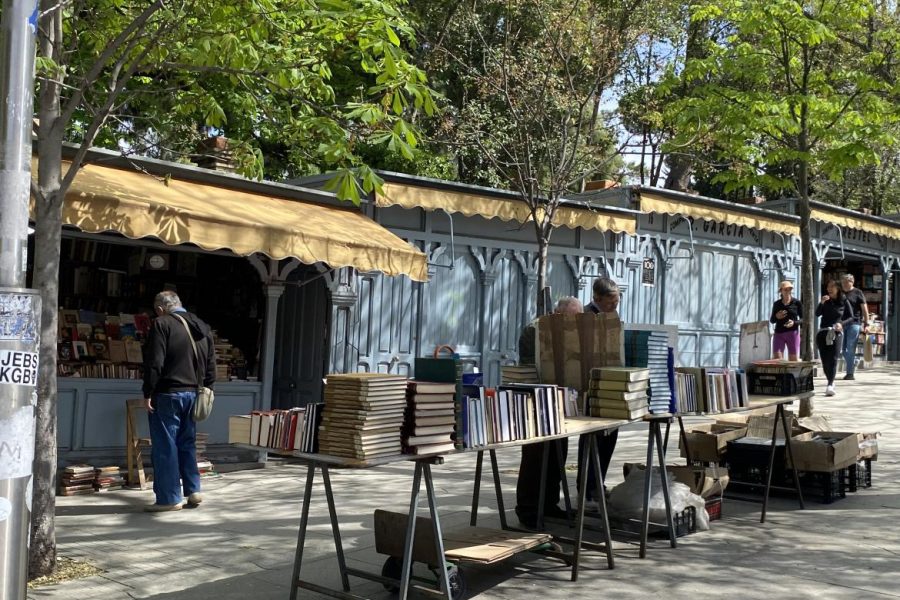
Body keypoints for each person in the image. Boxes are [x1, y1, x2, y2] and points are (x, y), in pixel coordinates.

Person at [142, 291, 216, 512]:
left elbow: (155, 362)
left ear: (160, 309)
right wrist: (208, 389)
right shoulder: (202, 326)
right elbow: (211, 365)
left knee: (165, 446)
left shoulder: (162, 324)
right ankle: (193, 490)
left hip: (168, 393)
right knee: (187, 443)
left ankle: (169, 498)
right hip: (194, 393)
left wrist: (148, 391)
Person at [515, 296, 583, 528]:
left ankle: (549, 504)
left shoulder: (571, 332)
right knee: (535, 457)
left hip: (560, 401)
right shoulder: (534, 330)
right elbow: (530, 366)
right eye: (570, 319)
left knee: (558, 454)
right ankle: (528, 510)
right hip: (536, 401)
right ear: (557, 313)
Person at [577, 277, 621, 511]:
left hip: (610, 386)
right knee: (592, 441)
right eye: (610, 303)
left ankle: (598, 483)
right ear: (597, 298)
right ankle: (587, 488)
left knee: (609, 438)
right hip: (591, 388)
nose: (614, 306)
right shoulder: (585, 317)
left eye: (617, 302)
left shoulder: (611, 317)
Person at [815, 280, 853, 397]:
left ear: (838, 288)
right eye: (828, 287)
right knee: (825, 361)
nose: (829, 289)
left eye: (832, 287)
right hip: (823, 333)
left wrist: (841, 324)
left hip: (836, 333)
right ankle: (830, 381)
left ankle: (830, 384)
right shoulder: (825, 301)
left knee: (833, 359)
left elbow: (851, 317)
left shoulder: (844, 301)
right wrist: (821, 303)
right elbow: (817, 313)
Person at [840, 274, 868, 380]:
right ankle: (854, 361)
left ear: (852, 282)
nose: (843, 284)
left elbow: (864, 309)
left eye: (845, 282)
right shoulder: (841, 293)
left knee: (850, 348)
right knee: (842, 350)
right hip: (842, 323)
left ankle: (850, 374)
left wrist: (866, 324)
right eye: (842, 282)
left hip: (855, 323)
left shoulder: (858, 292)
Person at [769, 280, 802, 361]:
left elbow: (803, 319)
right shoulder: (777, 304)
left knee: (793, 359)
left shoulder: (796, 302)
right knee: (777, 358)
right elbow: (772, 320)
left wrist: (794, 323)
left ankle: (792, 370)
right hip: (779, 333)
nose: (788, 291)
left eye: (789, 289)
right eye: (785, 289)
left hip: (792, 333)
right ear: (781, 291)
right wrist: (777, 316)